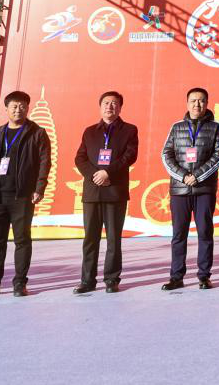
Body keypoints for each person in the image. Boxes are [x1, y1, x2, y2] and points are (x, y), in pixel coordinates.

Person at [0, 90, 53, 297]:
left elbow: (45, 163)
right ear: (6, 109)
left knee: (22, 240)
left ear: (28, 108)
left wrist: (39, 188)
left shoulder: (37, 133)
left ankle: (19, 283)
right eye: (14, 106)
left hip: (22, 195)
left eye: (23, 106)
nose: (19, 110)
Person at [161, 87, 219, 291]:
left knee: (205, 233)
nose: (197, 104)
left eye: (201, 101)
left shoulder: (216, 128)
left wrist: (197, 175)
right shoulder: (176, 127)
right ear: (187, 103)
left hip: (204, 189)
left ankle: (204, 276)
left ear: (207, 103)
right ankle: (176, 277)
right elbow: (166, 155)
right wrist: (183, 176)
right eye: (193, 100)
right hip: (179, 190)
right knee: (178, 235)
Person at [74, 91, 139, 294]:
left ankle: (112, 279)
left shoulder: (129, 130)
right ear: (100, 106)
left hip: (114, 191)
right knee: (90, 239)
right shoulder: (90, 132)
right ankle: (87, 280)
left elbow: (129, 156)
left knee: (113, 239)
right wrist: (95, 175)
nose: (109, 106)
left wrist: (107, 172)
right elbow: (80, 158)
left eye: (114, 103)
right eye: (106, 103)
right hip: (92, 192)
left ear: (120, 107)